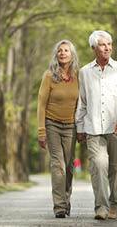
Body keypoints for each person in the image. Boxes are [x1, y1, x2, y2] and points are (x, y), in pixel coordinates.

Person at [76, 30, 117, 220]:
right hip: (93, 128)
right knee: (98, 166)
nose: (107, 47)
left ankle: (115, 203)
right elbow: (82, 102)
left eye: (109, 44)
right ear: (94, 48)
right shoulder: (85, 72)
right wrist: (79, 127)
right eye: (103, 44)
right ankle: (100, 207)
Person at [37, 39, 79, 218]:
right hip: (52, 124)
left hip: (71, 126)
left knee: (69, 167)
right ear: (56, 54)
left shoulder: (79, 76)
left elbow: (81, 104)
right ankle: (59, 206)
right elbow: (41, 104)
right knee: (58, 164)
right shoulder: (49, 76)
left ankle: (66, 199)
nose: (63, 53)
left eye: (66, 50)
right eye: (60, 50)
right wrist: (41, 131)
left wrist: (83, 127)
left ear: (72, 54)